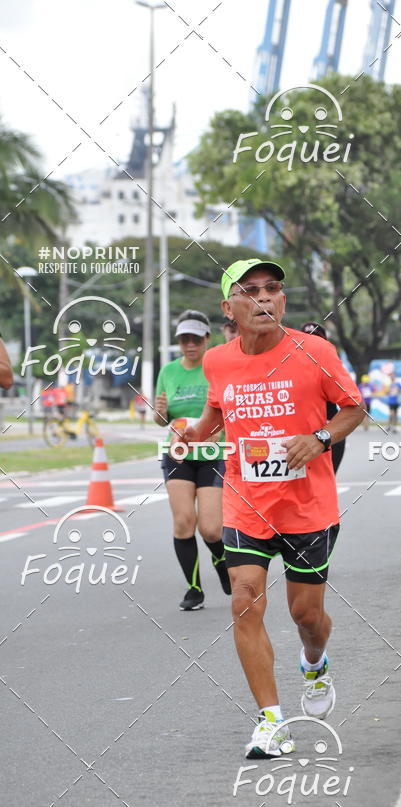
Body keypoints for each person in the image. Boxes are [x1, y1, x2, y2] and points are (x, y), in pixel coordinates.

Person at [177, 259, 364, 758]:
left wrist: (320, 437)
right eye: (250, 291)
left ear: (282, 299)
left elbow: (353, 408)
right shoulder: (218, 360)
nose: (264, 299)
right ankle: (271, 722)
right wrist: (194, 432)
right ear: (229, 307)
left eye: (273, 289)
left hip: (307, 507)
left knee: (307, 615)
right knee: (244, 600)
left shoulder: (314, 351)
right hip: (246, 503)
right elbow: (217, 411)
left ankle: (315, 662)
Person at [154, 310, 231, 611]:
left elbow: (229, 410)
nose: (190, 344)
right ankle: (194, 588)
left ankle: (222, 561)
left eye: (196, 339)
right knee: (184, 521)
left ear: (207, 339)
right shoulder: (168, 371)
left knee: (211, 529)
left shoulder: (217, 367)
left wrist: (217, 431)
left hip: (212, 452)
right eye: (185, 339)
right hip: (178, 452)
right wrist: (160, 413)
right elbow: (161, 419)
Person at [300, 321, 346, 475]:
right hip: (300, 435)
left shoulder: (332, 366)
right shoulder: (288, 366)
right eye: (306, 339)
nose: (311, 344)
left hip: (328, 431)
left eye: (316, 339)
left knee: (328, 481)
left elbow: (353, 405)